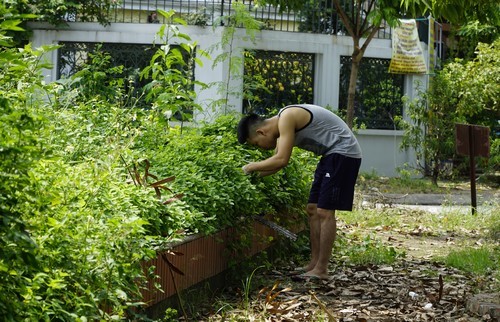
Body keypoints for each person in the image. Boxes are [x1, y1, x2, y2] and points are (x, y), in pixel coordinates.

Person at [237, 104, 362, 280]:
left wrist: (249, 167)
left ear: (261, 132)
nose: (261, 148)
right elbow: (275, 163)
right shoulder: (281, 127)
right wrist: (250, 178)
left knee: (325, 211)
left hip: (344, 153)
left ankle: (322, 269)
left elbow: (281, 160)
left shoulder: (287, 117)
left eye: (257, 144)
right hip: (330, 155)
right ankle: (314, 263)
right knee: (313, 209)